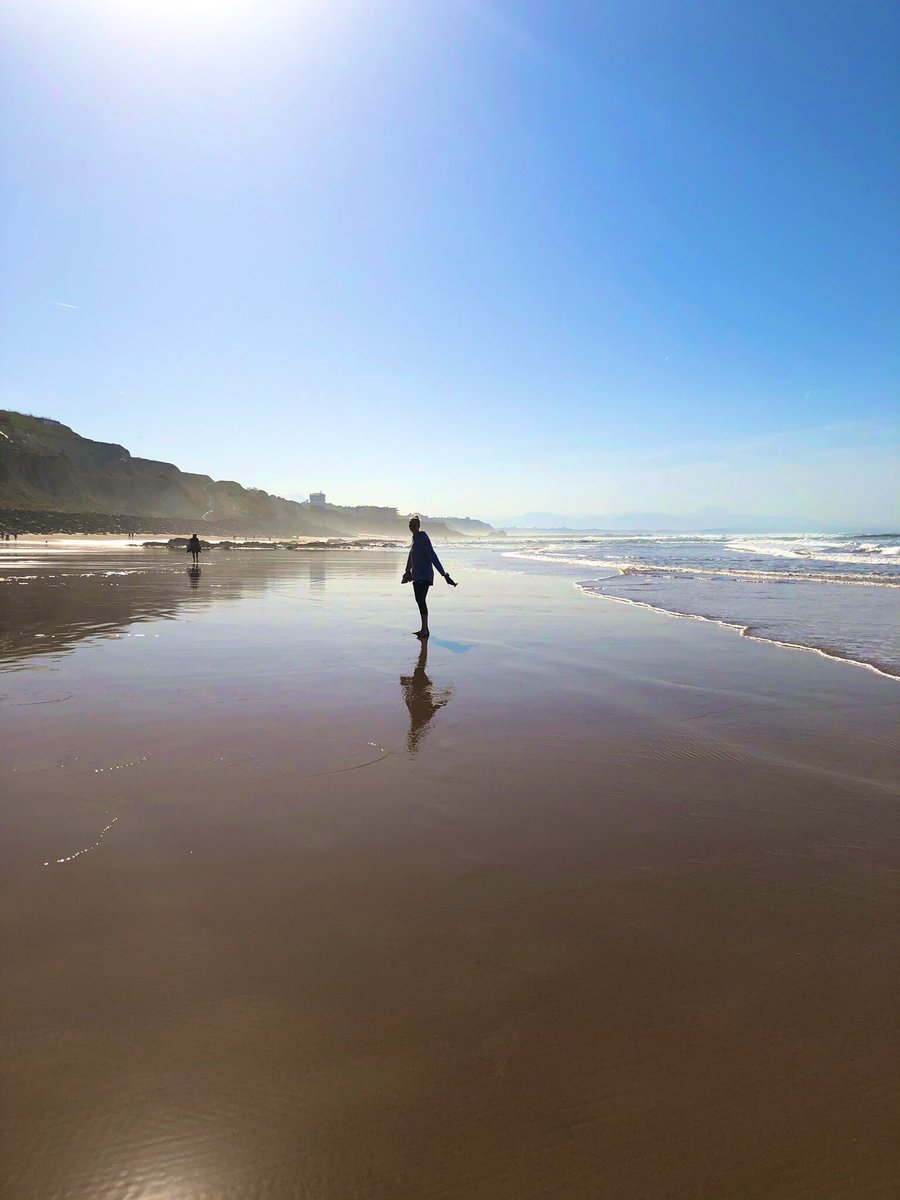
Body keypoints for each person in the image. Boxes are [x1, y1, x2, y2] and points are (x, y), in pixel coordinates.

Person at [401, 515, 456, 638]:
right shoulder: (414, 539)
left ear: (419, 525)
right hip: (416, 575)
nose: (411, 526)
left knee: (421, 600)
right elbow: (411, 556)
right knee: (419, 600)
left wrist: (444, 574)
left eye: (414, 524)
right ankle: (424, 628)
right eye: (410, 524)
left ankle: (425, 629)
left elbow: (432, 555)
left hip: (424, 575)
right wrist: (407, 572)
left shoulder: (423, 538)